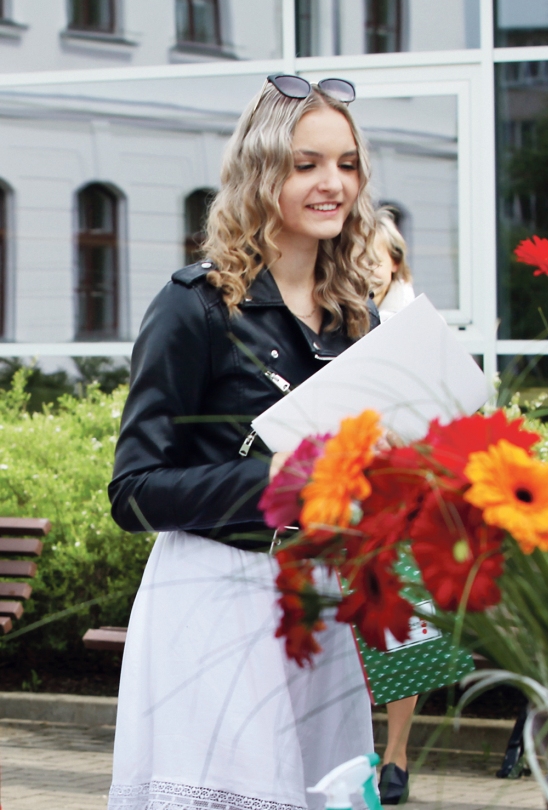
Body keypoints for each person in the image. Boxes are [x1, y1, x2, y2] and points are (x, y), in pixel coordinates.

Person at [106, 74, 379, 810]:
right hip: (215, 603)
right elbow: (132, 492)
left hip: (318, 601)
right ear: (262, 173)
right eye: (307, 164)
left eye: (347, 164)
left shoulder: (358, 318)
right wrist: (275, 482)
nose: (334, 184)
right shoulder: (193, 307)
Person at [364, 206, 417, 804]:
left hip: (401, 493)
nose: (366, 270)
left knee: (406, 629)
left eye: (374, 261)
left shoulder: (411, 323)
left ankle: (396, 753)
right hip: (347, 499)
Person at [368, 207, 415, 323]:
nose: (364, 271)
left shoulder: (416, 319)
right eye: (356, 263)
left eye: (372, 262)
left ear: (395, 262)